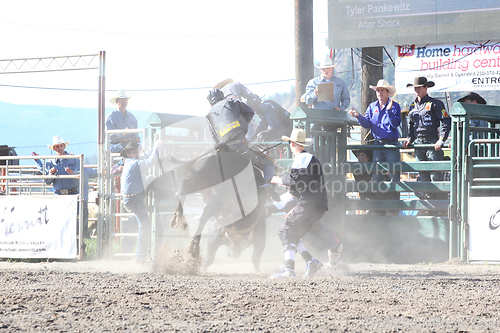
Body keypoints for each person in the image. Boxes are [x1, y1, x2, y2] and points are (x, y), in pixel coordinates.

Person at [269, 128, 328, 279]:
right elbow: (299, 185)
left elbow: (296, 182)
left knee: (286, 231)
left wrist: (279, 180)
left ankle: (290, 270)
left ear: (291, 143)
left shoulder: (302, 159)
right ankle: (311, 262)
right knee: (292, 234)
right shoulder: (309, 158)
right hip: (316, 204)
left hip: (310, 203)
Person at [206, 88, 278, 201]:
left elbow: (215, 139)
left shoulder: (209, 116)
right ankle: (267, 186)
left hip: (226, 152)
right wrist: (242, 128)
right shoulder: (231, 102)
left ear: (210, 103)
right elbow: (250, 112)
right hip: (241, 146)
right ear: (222, 97)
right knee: (269, 164)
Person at [348, 79, 401, 203]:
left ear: (388, 92)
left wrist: (388, 111)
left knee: (393, 175)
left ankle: (393, 205)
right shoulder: (372, 107)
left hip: (391, 144)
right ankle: (380, 204)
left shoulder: (395, 106)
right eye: (378, 90)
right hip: (377, 144)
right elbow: (367, 124)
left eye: (382, 90)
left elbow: (395, 123)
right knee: (377, 175)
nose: (379, 92)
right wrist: (358, 116)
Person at [403, 77, 451, 199]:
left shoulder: (435, 104)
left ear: (426, 88)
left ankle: (439, 201)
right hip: (419, 143)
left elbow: (446, 121)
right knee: (422, 173)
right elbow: (412, 126)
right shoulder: (413, 106)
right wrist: (410, 138)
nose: (417, 90)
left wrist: (441, 139)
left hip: (432, 141)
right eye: (415, 88)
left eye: (419, 87)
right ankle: (428, 202)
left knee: (435, 174)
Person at [120, 140, 164, 263]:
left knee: (142, 224)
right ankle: (140, 257)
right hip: (134, 198)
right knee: (145, 225)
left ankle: (140, 255)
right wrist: (157, 147)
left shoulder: (131, 160)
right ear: (129, 154)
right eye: (135, 152)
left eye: (137, 152)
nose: (137, 154)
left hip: (135, 197)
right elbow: (151, 161)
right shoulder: (134, 163)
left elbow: (147, 155)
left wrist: (157, 148)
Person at [214, 79, 292, 142]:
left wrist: (261, 134)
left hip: (288, 129)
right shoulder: (264, 110)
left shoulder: (265, 107)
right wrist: (256, 135)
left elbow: (274, 125)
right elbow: (264, 124)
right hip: (285, 129)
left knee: (266, 138)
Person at [304, 55, 352, 131]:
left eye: (328, 68)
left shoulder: (341, 82)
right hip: (317, 121)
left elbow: (346, 99)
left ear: (332, 68)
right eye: (323, 68)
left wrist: (340, 108)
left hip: (333, 120)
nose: (326, 70)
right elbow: (307, 101)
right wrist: (314, 95)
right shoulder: (313, 83)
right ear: (320, 69)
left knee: (331, 140)